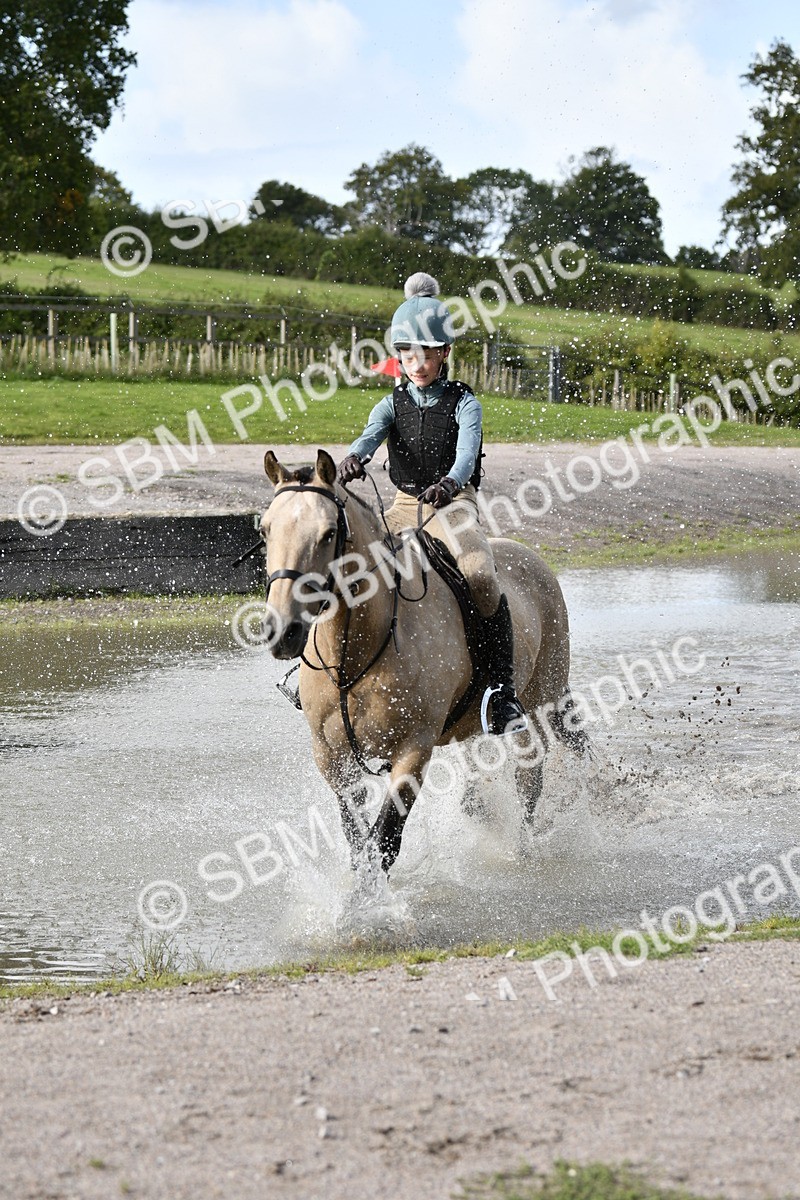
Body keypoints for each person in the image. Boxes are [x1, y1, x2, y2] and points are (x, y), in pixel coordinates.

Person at [337, 272, 527, 736]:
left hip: (453, 505)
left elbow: (466, 455)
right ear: (398, 355)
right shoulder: (390, 403)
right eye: (408, 353)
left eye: (427, 354)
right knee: (354, 565)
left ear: (444, 353)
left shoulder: (465, 402)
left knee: (480, 575)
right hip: (402, 506)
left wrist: (449, 483)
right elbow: (368, 439)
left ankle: (500, 692)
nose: (417, 363)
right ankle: (331, 673)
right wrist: (352, 460)